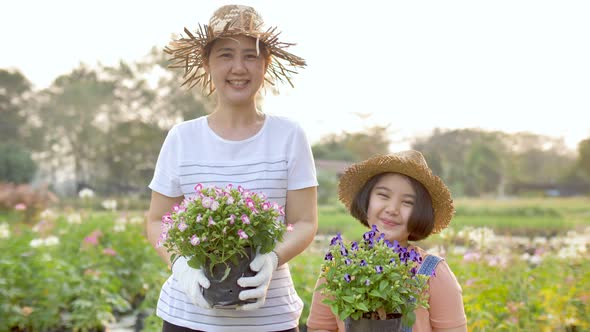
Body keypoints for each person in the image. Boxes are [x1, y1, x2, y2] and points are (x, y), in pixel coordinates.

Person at [146, 5, 318, 332]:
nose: (238, 67)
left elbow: (305, 221)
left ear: (266, 64)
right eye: (226, 55)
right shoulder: (183, 138)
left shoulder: (289, 136)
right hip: (188, 318)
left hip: (270, 319)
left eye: (251, 56)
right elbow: (157, 220)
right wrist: (180, 264)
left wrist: (272, 258)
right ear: (207, 62)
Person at [306, 150, 467, 332]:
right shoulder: (339, 266)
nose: (392, 209)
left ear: (421, 214)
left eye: (407, 202)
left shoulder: (433, 272)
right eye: (383, 195)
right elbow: (320, 327)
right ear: (366, 200)